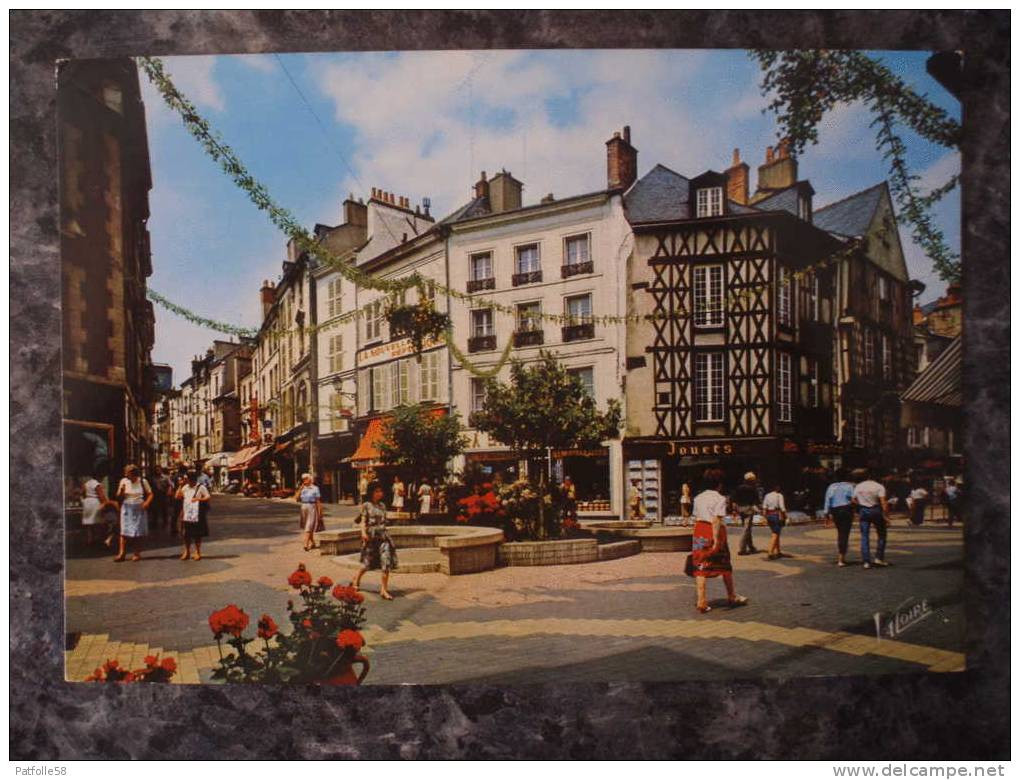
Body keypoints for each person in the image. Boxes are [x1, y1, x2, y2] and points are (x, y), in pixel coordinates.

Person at [686, 469, 748, 613]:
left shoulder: (698, 497)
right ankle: (732, 595)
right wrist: (715, 539)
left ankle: (701, 600)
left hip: (699, 530)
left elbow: (696, 517)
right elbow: (716, 519)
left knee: (700, 565)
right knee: (724, 564)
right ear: (719, 484)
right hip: (714, 532)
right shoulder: (719, 498)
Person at [353, 481, 398, 599]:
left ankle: (384, 590)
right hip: (371, 538)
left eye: (381, 491)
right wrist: (363, 533)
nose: (379, 493)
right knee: (367, 564)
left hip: (383, 537)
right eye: (377, 491)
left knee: (386, 562)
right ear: (371, 492)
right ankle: (356, 579)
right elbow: (363, 521)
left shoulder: (383, 505)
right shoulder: (366, 505)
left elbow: (384, 521)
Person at [852, 469, 889, 570]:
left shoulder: (859, 486)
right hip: (876, 509)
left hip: (863, 511)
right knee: (881, 534)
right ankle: (879, 558)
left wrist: (860, 505)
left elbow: (853, 499)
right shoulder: (879, 486)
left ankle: (866, 561)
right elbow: (883, 502)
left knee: (864, 536)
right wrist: (886, 516)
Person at [114, 464, 152, 562]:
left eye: (128, 474)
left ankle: (136, 553)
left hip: (139, 506)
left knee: (137, 531)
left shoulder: (143, 481)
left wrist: (147, 502)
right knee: (124, 531)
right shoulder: (124, 481)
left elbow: (150, 494)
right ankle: (122, 553)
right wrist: (121, 491)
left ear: (134, 474)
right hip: (127, 506)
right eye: (126, 474)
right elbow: (118, 496)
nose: (127, 476)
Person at [824, 469, 856, 567]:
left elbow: (827, 501)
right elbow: (853, 499)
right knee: (844, 533)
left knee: (840, 532)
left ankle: (841, 555)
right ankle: (841, 557)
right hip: (846, 510)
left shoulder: (831, 487)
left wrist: (826, 515)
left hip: (835, 511)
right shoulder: (849, 486)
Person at [176, 470, 210, 560]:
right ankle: (187, 551)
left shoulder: (201, 487)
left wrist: (198, 499)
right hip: (186, 512)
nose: (190, 481)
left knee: (197, 534)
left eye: (192, 480)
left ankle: (198, 552)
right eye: (189, 479)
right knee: (186, 533)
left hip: (197, 513)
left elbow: (207, 496)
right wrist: (180, 485)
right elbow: (177, 496)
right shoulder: (185, 487)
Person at [80, 472, 115, 547]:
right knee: (98, 523)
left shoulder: (87, 483)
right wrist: (106, 504)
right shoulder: (97, 484)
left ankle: (90, 540)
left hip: (87, 503)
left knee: (89, 524)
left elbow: (82, 493)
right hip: (95, 503)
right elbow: (101, 496)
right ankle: (98, 541)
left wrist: (84, 500)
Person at [733, 471, 761, 556]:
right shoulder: (753, 489)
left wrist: (734, 509)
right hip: (748, 509)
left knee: (747, 528)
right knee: (746, 529)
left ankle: (751, 547)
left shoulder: (739, 488)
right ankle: (742, 548)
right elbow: (756, 501)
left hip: (739, 508)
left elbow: (734, 499)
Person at [295, 473, 323, 552]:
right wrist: (300, 489)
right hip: (303, 507)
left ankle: (305, 544)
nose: (304, 480)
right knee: (306, 526)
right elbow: (296, 498)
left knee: (309, 525)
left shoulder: (315, 488)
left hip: (312, 507)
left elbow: (318, 501)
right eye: (303, 479)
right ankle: (313, 542)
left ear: (310, 479)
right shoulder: (302, 488)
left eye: (306, 478)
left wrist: (320, 512)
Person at [761, 483, 788, 560]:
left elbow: (764, 507)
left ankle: (778, 551)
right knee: (775, 534)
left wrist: (764, 517)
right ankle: (770, 552)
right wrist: (786, 516)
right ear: (777, 487)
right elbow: (782, 507)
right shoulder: (779, 495)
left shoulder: (767, 495)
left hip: (769, 515)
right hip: (776, 515)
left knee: (776, 532)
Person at [150, 466, 172, 532]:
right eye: (156, 470)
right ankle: (155, 523)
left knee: (164, 509)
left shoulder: (166, 477)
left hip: (163, 494)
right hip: (155, 495)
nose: (157, 471)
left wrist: (169, 491)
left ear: (161, 470)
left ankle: (165, 523)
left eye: (158, 470)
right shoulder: (153, 478)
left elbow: (170, 485)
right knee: (155, 509)